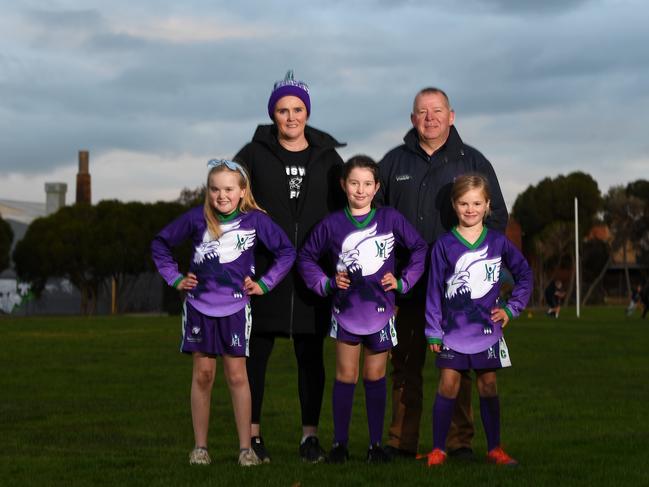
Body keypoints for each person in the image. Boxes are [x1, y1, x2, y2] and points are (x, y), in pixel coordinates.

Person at [375, 87, 508, 458]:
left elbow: (497, 219)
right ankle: (402, 443)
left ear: (452, 115)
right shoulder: (394, 163)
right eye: (422, 112)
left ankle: (458, 444)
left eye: (437, 111)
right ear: (412, 118)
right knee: (404, 366)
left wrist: (471, 264)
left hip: (458, 294)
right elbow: (375, 219)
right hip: (405, 285)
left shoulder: (473, 161)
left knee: (458, 370)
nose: (429, 118)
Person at [151, 159, 296, 466]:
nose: (222, 196)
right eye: (215, 189)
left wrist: (264, 283)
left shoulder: (256, 221)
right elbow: (160, 244)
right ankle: (200, 448)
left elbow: (286, 251)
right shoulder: (196, 219)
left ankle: (246, 450)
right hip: (199, 308)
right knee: (203, 376)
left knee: (236, 376)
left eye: (229, 189)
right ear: (208, 191)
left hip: (235, 309)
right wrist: (176, 278)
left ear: (242, 191)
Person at [234, 70, 346, 463]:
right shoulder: (251, 155)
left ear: (307, 112)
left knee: (310, 356)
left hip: (313, 272)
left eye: (298, 109)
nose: (291, 117)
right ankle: (254, 436)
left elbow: (345, 211)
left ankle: (309, 438)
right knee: (256, 355)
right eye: (283, 110)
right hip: (264, 270)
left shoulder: (328, 158)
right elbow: (228, 202)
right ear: (273, 114)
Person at [297, 156, 427, 464]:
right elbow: (305, 258)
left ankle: (375, 446)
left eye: (367, 184)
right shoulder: (331, 224)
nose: (360, 190)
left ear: (377, 187)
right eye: (354, 183)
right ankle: (340, 445)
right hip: (346, 312)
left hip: (381, 312)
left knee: (375, 376)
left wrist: (403, 281)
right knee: (346, 375)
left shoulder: (390, 219)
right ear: (343, 185)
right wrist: (328, 283)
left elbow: (420, 248)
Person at [421, 174, 532, 466]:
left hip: (487, 332)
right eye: (463, 203)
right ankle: (438, 449)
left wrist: (511, 309)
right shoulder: (444, 245)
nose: (470, 209)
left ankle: (495, 448)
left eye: (476, 203)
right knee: (447, 385)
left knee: (488, 386)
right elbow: (433, 289)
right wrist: (433, 331)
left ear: (487, 206)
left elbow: (524, 275)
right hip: (452, 333)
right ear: (454, 205)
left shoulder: (498, 242)